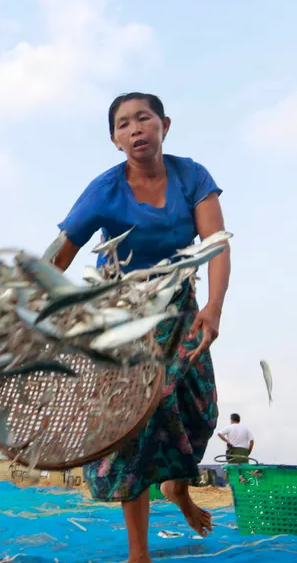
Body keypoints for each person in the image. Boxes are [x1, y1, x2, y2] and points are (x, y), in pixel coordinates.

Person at [50, 92, 229, 561]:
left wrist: (214, 307)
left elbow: (216, 243)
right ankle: (138, 551)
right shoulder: (104, 190)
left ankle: (179, 488)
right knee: (136, 429)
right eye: (124, 124)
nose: (135, 129)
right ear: (114, 139)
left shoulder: (193, 175)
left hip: (180, 309)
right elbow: (61, 253)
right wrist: (33, 302)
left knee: (199, 411)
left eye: (143, 119)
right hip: (125, 317)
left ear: (164, 124)